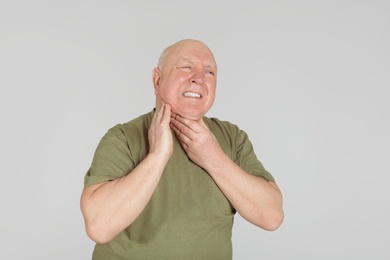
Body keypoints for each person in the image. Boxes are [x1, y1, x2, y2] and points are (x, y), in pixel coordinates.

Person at [80, 39, 284, 259]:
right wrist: (158, 155)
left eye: (209, 72)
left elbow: (272, 217)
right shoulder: (123, 138)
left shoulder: (233, 138)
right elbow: (99, 226)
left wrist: (214, 159)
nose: (198, 78)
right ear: (157, 80)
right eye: (186, 67)